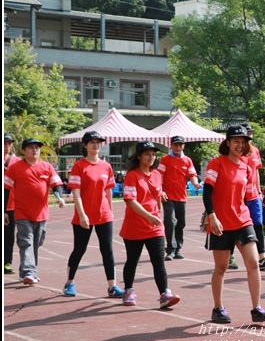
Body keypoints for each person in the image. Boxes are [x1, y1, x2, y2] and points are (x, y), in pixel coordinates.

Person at [202, 125, 265, 324]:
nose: (240, 145)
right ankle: (218, 308)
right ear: (228, 143)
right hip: (220, 223)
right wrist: (212, 216)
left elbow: (250, 196)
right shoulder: (217, 163)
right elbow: (207, 191)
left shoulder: (246, 167)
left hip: (242, 220)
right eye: (236, 141)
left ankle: (256, 308)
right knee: (221, 267)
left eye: (243, 142)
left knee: (253, 263)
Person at [119, 141, 180, 309]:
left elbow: (158, 193)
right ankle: (128, 290)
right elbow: (130, 201)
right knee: (132, 260)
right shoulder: (132, 176)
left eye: (153, 154)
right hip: (135, 226)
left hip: (154, 226)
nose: (151, 157)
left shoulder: (156, 175)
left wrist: (158, 209)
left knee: (158, 261)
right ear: (139, 156)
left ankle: (164, 294)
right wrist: (148, 216)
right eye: (147, 154)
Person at [63, 131, 124, 298]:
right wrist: (82, 214)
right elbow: (76, 192)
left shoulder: (106, 166)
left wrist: (110, 211)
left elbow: (108, 190)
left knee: (107, 250)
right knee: (79, 249)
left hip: (103, 214)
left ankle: (112, 286)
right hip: (84, 214)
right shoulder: (79, 166)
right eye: (92, 142)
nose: (96, 145)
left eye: (98, 142)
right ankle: (69, 282)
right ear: (85, 145)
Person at [3, 138, 65, 284]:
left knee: (36, 242)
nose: (34, 150)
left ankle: (27, 270)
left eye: (37, 147)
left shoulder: (47, 167)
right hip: (22, 213)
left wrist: (59, 197)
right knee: (26, 242)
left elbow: (56, 185)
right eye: (30, 147)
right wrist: (4, 210)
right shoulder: (15, 168)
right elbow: (5, 190)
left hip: (41, 213)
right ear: (23, 151)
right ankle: (29, 272)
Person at [157, 135, 201, 261]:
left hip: (181, 197)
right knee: (170, 222)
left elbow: (192, 174)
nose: (177, 147)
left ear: (183, 146)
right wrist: (160, 190)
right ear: (171, 145)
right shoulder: (165, 159)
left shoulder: (187, 160)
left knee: (181, 223)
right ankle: (170, 249)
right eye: (175, 144)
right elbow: (159, 175)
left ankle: (178, 249)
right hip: (168, 196)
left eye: (180, 145)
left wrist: (196, 183)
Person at [240, 123, 265, 271]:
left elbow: (256, 172)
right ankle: (230, 255)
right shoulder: (236, 152)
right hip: (239, 196)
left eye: (250, 132)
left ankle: (262, 257)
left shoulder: (255, 151)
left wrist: (259, 191)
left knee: (258, 225)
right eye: (246, 132)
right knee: (235, 227)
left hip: (253, 196)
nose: (249, 135)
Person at [4, 133, 22, 275]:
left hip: (10, 204)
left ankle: (6, 262)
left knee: (9, 235)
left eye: (9, 143)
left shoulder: (17, 162)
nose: (7, 146)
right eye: (5, 143)